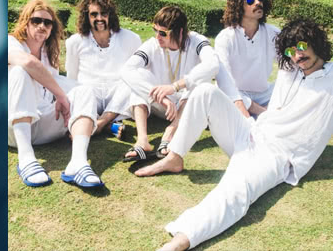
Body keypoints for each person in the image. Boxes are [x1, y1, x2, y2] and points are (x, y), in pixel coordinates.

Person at [135, 19, 333, 251]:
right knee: (205, 91)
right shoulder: (290, 70)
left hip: (276, 155)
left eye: (301, 46)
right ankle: (175, 156)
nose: (297, 56)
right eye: (290, 51)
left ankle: (182, 239)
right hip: (253, 131)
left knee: (237, 188)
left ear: (314, 41)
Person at [9, 0, 103, 188]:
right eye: (36, 20)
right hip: (12, 128)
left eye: (47, 22)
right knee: (20, 71)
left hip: (43, 124)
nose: (42, 26)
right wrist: (61, 96)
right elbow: (28, 63)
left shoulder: (48, 53)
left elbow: (60, 83)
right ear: (26, 22)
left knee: (85, 90)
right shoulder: (10, 43)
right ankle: (26, 158)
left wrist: (80, 104)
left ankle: (77, 163)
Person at [121, 6, 221, 162]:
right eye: (155, 30)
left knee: (200, 86)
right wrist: (162, 98)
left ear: (180, 32)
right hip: (161, 104)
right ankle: (143, 141)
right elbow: (126, 70)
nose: (157, 36)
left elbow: (213, 65)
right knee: (138, 77)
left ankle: (170, 132)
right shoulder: (152, 44)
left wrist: (175, 86)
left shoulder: (196, 41)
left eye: (163, 33)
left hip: (187, 106)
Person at [65, 0, 141, 138]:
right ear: (86, 16)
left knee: (131, 83)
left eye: (103, 13)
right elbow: (72, 77)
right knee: (80, 91)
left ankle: (100, 122)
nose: (99, 18)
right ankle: (108, 125)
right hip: (90, 93)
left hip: (118, 95)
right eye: (94, 14)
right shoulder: (75, 42)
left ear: (110, 15)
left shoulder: (131, 38)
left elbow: (138, 72)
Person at [215, 0, 280, 118]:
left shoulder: (274, 33)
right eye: (250, 0)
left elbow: (289, 64)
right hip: (237, 96)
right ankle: (266, 115)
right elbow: (224, 78)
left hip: (265, 94)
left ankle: (266, 113)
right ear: (239, 7)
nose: (257, 3)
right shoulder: (226, 37)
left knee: (294, 86)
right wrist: (242, 106)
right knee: (221, 91)